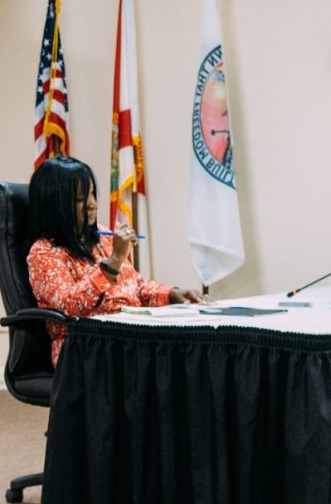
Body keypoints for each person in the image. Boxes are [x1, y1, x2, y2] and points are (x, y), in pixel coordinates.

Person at [27, 156, 205, 367]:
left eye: (92, 194)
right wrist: (112, 262)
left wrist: (171, 294)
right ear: (55, 204)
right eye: (81, 199)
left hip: (126, 335)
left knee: (191, 346)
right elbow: (69, 307)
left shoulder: (102, 235)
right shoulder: (44, 252)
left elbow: (135, 287)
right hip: (82, 347)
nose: (92, 204)